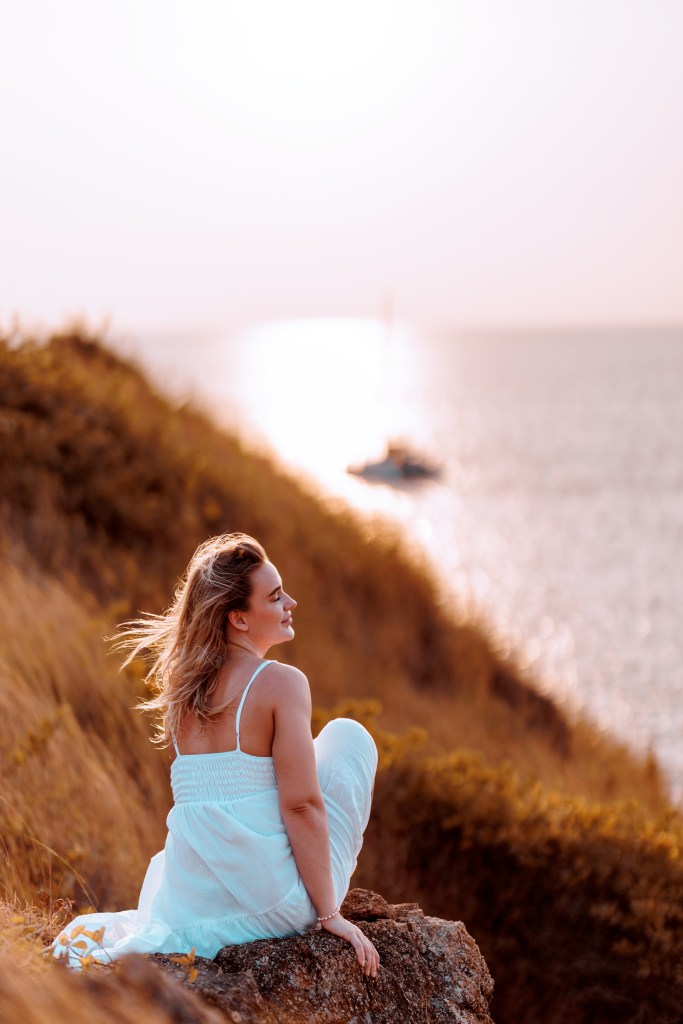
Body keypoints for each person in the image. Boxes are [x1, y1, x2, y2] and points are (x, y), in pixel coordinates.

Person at [53, 532, 379, 976]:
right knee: (347, 736)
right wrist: (328, 916)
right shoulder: (282, 683)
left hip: (189, 907)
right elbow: (300, 803)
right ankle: (320, 901)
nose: (292, 604)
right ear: (239, 620)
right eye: (276, 596)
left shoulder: (181, 693)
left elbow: (216, 807)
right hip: (272, 902)